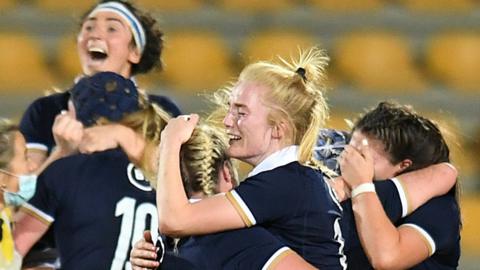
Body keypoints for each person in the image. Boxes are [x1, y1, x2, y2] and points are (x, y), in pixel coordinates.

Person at [18, 1, 181, 268]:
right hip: (57, 249)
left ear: (135, 51)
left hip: (140, 249)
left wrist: (123, 136)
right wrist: (62, 154)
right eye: (89, 27)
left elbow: (184, 184)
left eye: (112, 28)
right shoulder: (46, 110)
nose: (95, 34)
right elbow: (20, 197)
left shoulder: (160, 111)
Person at [154, 47, 347, 269]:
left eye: (241, 112)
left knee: (213, 236)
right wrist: (159, 256)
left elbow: (175, 221)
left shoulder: (284, 183)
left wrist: (170, 140)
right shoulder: (293, 179)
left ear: (277, 129)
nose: (227, 120)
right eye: (230, 109)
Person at [13, 72, 172, 270]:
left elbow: (12, 248)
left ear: (77, 118)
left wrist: (61, 153)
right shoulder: (167, 178)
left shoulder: (66, 173)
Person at [336, 101, 460, 269]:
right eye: (349, 153)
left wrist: (361, 186)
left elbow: (387, 258)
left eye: (362, 158)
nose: (349, 164)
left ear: (403, 165)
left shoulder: (439, 208)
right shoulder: (349, 186)